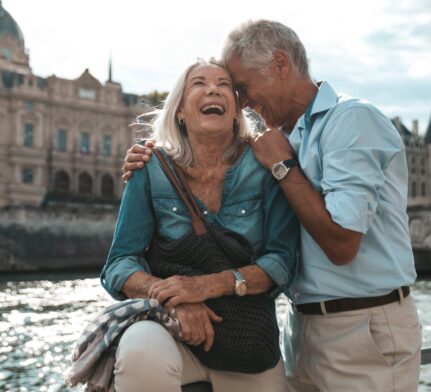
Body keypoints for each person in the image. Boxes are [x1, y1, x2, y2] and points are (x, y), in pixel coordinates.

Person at [122, 21, 421, 392]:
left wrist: (282, 167)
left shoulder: (352, 120)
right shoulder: (284, 136)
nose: (243, 102)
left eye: (241, 87)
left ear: (280, 64)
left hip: (364, 325)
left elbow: (342, 244)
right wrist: (151, 156)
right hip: (303, 328)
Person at [101, 58, 299, 392]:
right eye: (199, 83)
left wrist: (207, 286)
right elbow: (118, 265)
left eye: (224, 85)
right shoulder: (151, 167)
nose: (213, 89)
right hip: (171, 331)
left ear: (236, 111)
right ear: (179, 110)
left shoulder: (265, 165)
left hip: (249, 342)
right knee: (139, 349)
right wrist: (174, 299)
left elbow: (281, 262)